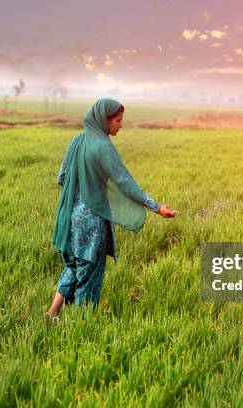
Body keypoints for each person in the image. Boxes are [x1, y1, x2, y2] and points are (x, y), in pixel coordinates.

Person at [46, 98, 176, 321]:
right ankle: (79, 329)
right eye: (117, 120)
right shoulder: (103, 146)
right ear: (103, 120)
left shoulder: (76, 142)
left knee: (74, 268)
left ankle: (51, 313)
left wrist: (83, 186)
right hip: (91, 227)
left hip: (69, 219)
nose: (121, 125)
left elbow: (62, 178)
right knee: (88, 279)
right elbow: (126, 184)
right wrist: (157, 207)